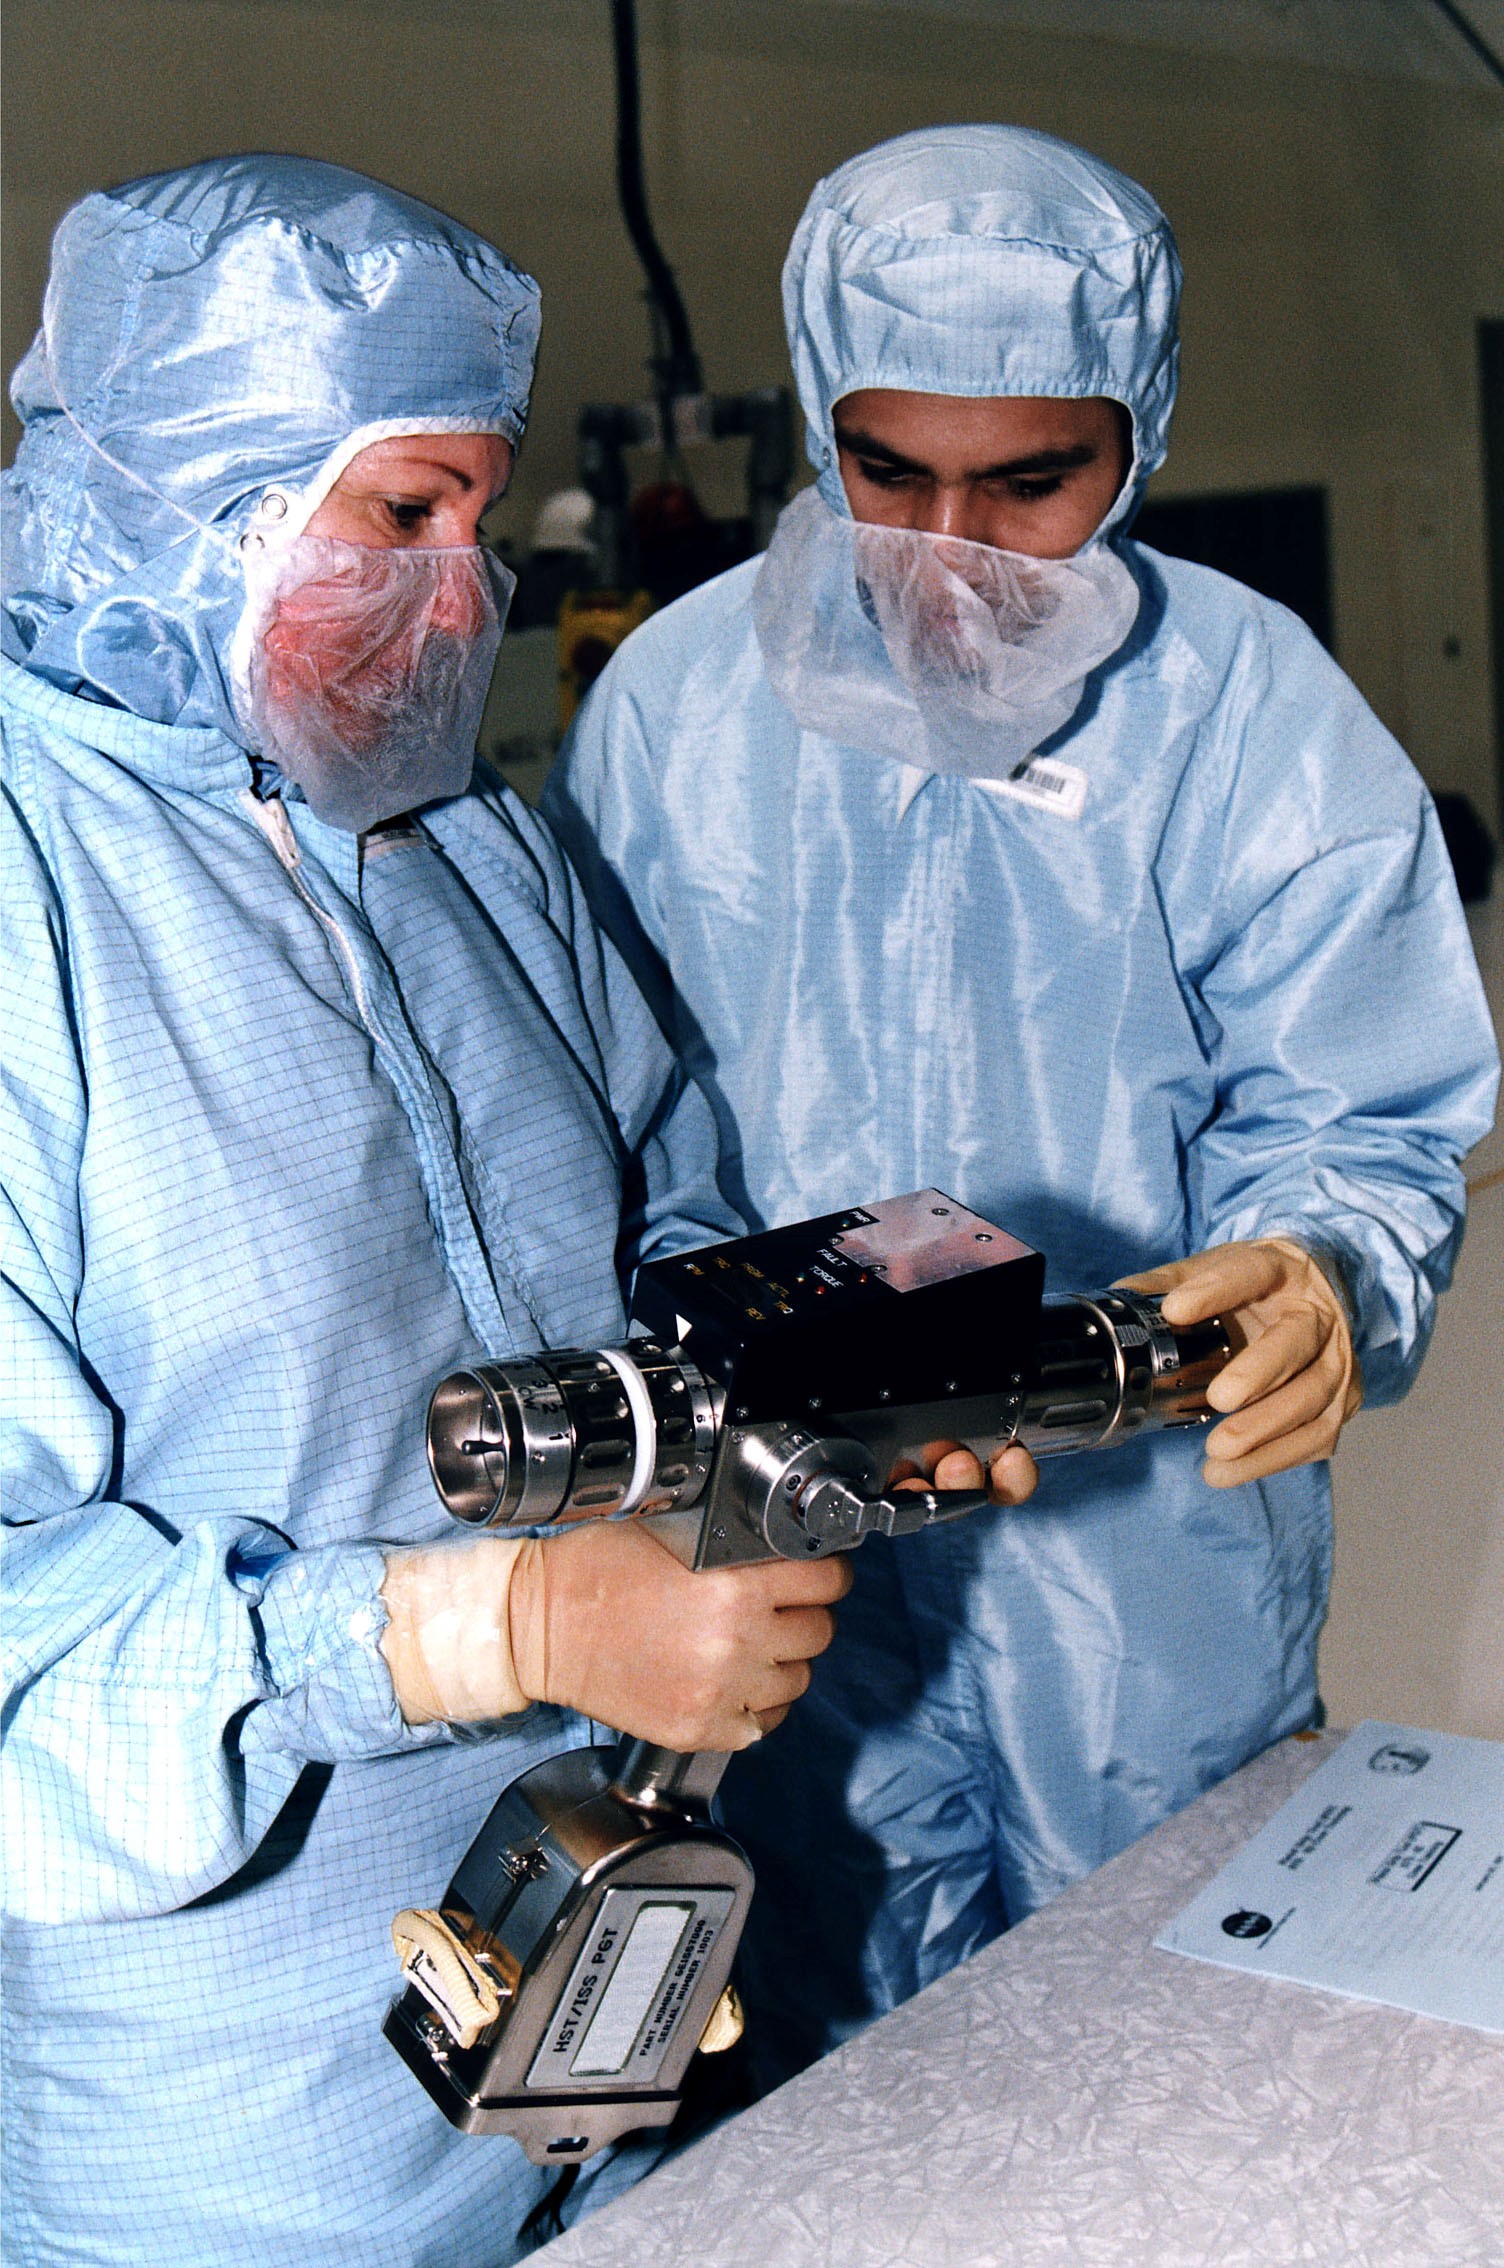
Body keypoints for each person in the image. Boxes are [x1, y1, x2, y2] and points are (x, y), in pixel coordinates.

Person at [542, 123, 1500, 2087]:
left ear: (1134, 435)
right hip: (790, 1543)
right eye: (888, 472)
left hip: (1135, 1544)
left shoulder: (1254, 712)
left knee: (1170, 2050)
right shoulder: (676, 707)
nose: (951, 547)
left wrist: (1330, 1268)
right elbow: (613, 1121)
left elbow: (1360, 1103)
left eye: (1031, 481)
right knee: (825, 2049)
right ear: (821, 416)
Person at [0, 156, 855, 2267]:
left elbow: (669, 1210)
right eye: (402, 517)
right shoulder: (32, 907)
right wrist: (498, 1624)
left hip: (595, 2014)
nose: (463, 593)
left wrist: (836, 1397)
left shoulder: (470, 842)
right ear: (181, 494)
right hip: (238, 2124)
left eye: (484, 512)